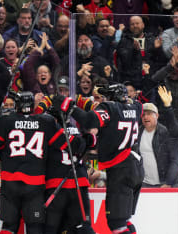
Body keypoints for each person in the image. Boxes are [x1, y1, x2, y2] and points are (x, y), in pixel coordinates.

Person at [0, 92, 75, 234]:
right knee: (34, 226)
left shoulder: (6, 121)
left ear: (17, 105)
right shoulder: (46, 122)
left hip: (10, 183)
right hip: (35, 184)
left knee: (9, 226)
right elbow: (67, 145)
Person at [53, 84, 144, 234]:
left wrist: (69, 106)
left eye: (105, 96)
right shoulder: (135, 107)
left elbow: (89, 121)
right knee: (124, 220)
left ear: (112, 98)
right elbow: (137, 102)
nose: (103, 99)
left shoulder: (110, 108)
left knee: (117, 224)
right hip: (135, 166)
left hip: (121, 169)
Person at [134, 103, 178, 187]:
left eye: (149, 114)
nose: (146, 117)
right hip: (144, 183)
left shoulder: (166, 133)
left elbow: (175, 160)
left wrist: (168, 183)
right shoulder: (137, 132)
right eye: (143, 114)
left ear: (157, 115)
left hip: (164, 184)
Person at [116, 15, 165, 88]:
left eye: (137, 23)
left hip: (150, 79)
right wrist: (134, 51)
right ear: (129, 27)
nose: (135, 26)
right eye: (132, 24)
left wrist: (158, 49)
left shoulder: (152, 39)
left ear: (143, 25)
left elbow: (159, 61)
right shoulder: (124, 41)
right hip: (130, 81)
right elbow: (124, 61)